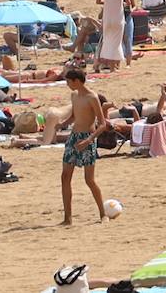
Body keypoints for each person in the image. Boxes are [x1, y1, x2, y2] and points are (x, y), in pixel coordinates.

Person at [60, 68, 106, 225]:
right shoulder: (74, 95)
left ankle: (103, 214)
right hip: (74, 138)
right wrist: (62, 124)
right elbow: (74, 116)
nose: (67, 84)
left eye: (68, 81)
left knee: (89, 180)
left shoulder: (92, 97)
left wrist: (89, 141)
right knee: (65, 177)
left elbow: (102, 124)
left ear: (76, 81)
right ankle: (68, 218)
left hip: (87, 138)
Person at [95, 0, 131, 72]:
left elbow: (98, 1)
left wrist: (107, 2)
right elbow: (128, 3)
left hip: (107, 19)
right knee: (116, 42)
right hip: (117, 19)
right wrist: (119, 2)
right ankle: (112, 67)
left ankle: (107, 65)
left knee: (108, 41)